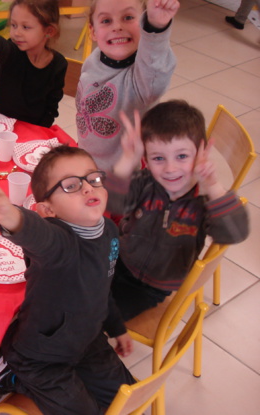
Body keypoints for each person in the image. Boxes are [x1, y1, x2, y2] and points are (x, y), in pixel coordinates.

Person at [0, 146, 135, 414]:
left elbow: (101, 286)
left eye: (93, 179)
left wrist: (117, 327)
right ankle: (14, 374)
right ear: (47, 210)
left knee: (124, 398)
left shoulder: (109, 232)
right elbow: (38, 235)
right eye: (71, 185)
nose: (87, 189)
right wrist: (9, 215)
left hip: (88, 340)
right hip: (41, 356)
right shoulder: (59, 242)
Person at [105, 100, 250, 321]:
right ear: (146, 158)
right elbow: (111, 204)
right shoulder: (146, 182)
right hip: (120, 259)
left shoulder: (205, 200)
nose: (170, 168)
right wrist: (127, 160)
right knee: (74, 285)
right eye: (158, 158)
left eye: (181, 156)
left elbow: (235, 233)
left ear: (202, 151)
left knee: (101, 316)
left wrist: (212, 186)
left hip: (152, 285)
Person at [76, 0, 179, 173]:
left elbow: (155, 71)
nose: (117, 27)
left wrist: (156, 27)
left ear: (143, 25)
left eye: (128, 17)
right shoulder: (95, 58)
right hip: (86, 162)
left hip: (121, 179)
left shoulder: (143, 79)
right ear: (93, 31)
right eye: (106, 21)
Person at [0, 0, 67, 127]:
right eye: (13, 25)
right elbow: (2, 47)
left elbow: (52, 106)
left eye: (26, 27)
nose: (16, 33)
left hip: (31, 132)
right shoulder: (13, 52)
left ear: (49, 31)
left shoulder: (58, 64)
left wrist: (42, 131)